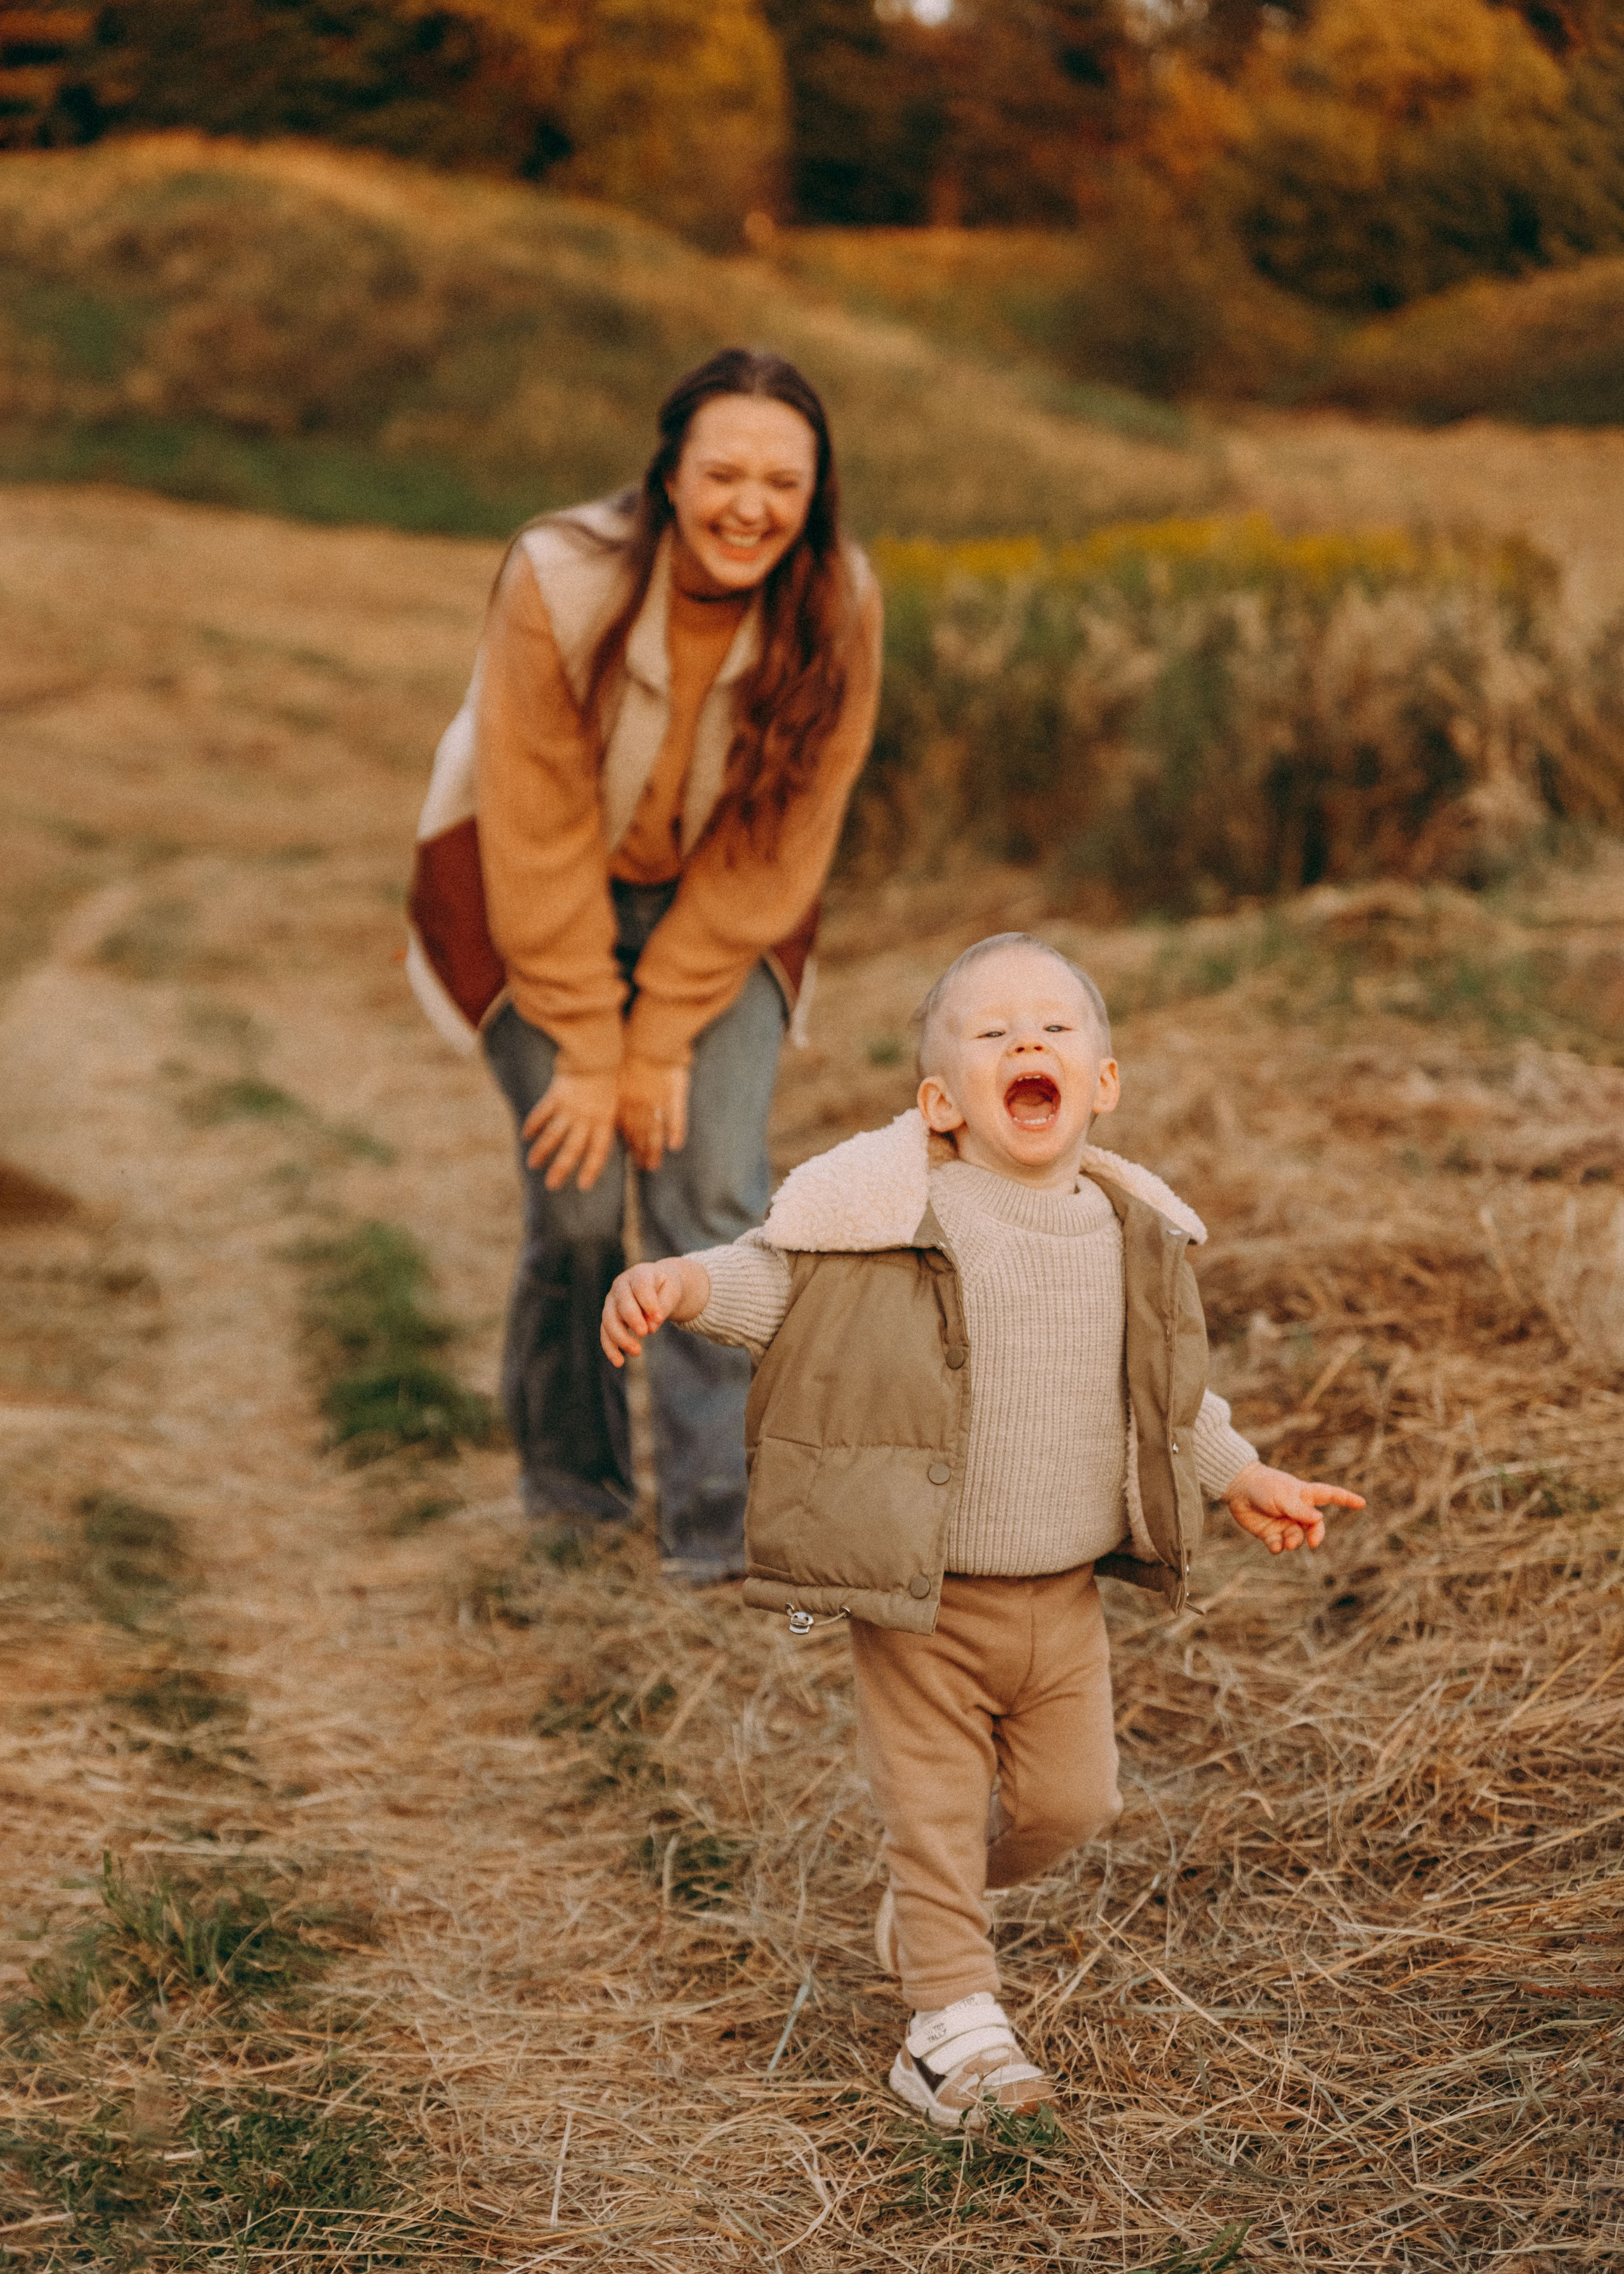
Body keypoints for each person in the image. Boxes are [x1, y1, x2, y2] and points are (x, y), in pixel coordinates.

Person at [599, 932, 1365, 2127]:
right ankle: (947, 2029)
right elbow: (779, 1289)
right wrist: (682, 1287)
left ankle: (932, 1908)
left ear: (1100, 1084)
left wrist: (1241, 1473)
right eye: (993, 1031)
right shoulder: (901, 1218)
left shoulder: (1124, 1232)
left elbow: (1161, 1398)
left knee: (1076, 1805)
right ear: (941, 1100)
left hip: (1063, 1599)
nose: (1029, 1043)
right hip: (924, 1593)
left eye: (1057, 1028)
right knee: (936, 1808)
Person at [406, 350, 884, 1585]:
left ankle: (719, 1526)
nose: (748, 505)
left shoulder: (837, 603)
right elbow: (536, 819)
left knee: (708, 1195)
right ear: (666, 474)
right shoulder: (557, 576)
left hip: (724, 910)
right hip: (526, 887)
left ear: (816, 490)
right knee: (574, 1205)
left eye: (782, 480)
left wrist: (661, 1030)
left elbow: (779, 843)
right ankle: (572, 1499)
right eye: (720, 471)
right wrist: (588, 1039)